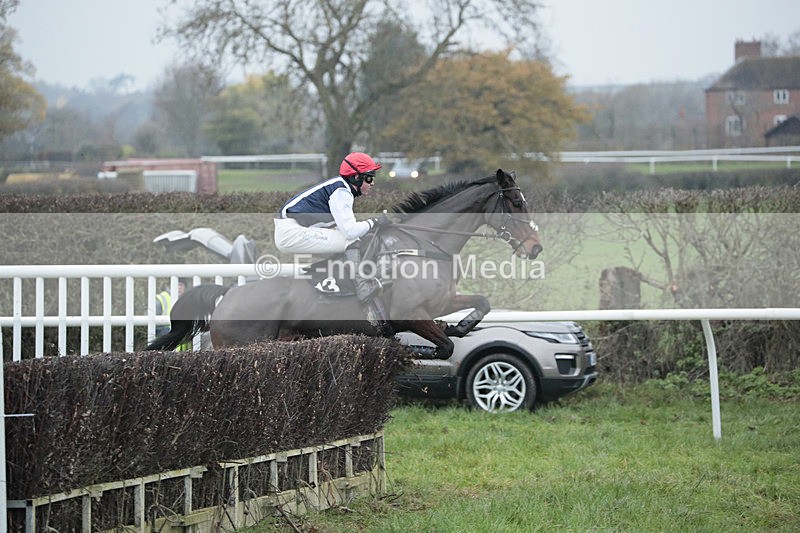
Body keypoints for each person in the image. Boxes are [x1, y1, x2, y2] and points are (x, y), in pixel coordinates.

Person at [274, 152, 393, 302]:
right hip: (291, 232)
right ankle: (362, 286)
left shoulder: (339, 187)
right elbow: (351, 231)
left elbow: (343, 228)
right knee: (351, 240)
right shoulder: (341, 192)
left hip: (291, 229)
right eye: (369, 178)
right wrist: (374, 222)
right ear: (356, 177)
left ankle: (338, 285)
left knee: (344, 240)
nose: (372, 183)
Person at [155, 278, 191, 350]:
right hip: (165, 348)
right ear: (170, 286)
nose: (179, 287)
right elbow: (156, 326)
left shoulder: (190, 300)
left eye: (181, 285)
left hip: (185, 352)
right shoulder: (161, 299)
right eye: (176, 285)